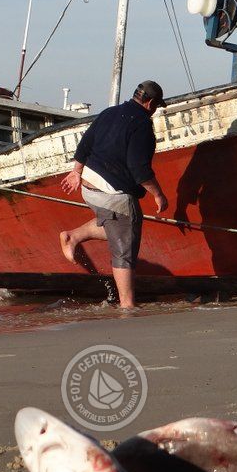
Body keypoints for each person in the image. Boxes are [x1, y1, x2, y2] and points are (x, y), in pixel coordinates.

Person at [59, 80, 169, 308]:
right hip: (111, 190)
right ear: (150, 103)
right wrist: (158, 195)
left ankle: (74, 236)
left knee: (121, 224)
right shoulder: (141, 124)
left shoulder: (110, 112)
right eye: (157, 106)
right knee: (125, 244)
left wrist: (76, 172)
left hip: (89, 186)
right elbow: (139, 169)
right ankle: (127, 304)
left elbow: (85, 144)